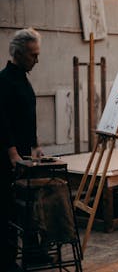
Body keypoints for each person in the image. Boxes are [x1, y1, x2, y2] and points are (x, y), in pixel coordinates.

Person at [0, 28, 43, 271]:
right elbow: (3, 122)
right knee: (7, 209)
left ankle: (33, 254)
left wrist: (36, 146)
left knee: (28, 206)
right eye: (32, 55)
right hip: (8, 155)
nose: (37, 60)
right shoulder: (4, 80)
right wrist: (12, 153)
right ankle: (6, 261)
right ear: (18, 54)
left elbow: (29, 117)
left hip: (25, 154)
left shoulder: (23, 78)